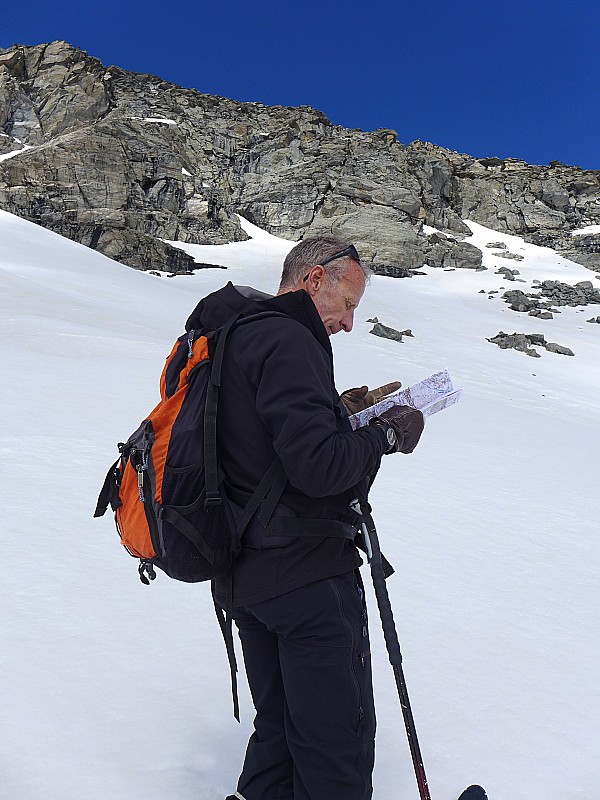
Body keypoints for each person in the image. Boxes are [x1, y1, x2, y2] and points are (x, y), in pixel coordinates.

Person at [185, 235, 424, 800]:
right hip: (306, 577)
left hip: (244, 577)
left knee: (279, 729)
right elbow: (319, 468)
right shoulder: (290, 339)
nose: (348, 324)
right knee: (334, 741)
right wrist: (386, 435)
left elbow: (257, 444)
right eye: (348, 305)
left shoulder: (236, 333)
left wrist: (338, 414)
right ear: (316, 279)